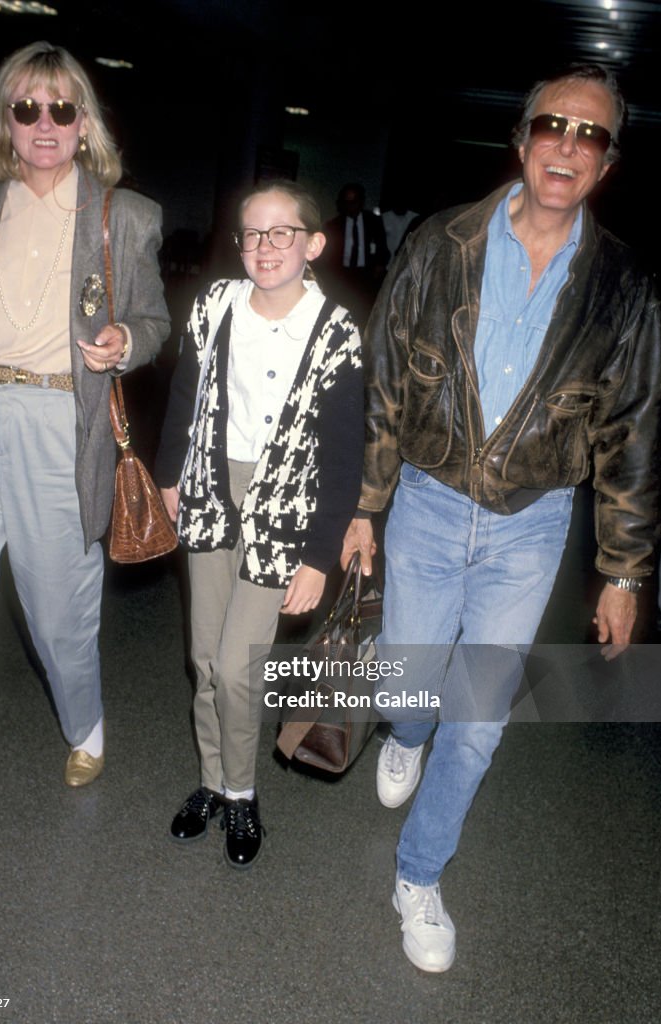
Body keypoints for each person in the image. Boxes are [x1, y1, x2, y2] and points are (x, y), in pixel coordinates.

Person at [342, 65, 660, 972]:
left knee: (477, 719)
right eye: (552, 125)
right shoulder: (441, 244)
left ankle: (418, 876)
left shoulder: (624, 286)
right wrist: (367, 503)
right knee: (410, 684)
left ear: (605, 163)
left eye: (589, 133)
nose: (567, 143)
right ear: (520, 141)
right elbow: (388, 384)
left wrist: (623, 569)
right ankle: (404, 730)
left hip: (530, 524)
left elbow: (632, 432)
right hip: (429, 505)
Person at [0, 42, 170, 882]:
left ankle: (85, 719)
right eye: (26, 108)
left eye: (60, 109)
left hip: (53, 423)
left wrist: (124, 341)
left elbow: (152, 319)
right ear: (5, 117)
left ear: (83, 124)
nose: (42, 124)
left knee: (56, 620)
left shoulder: (122, 216)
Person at [155, 180, 363, 869]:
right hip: (213, 488)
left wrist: (318, 555)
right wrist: (167, 478)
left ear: (313, 245)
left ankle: (241, 794)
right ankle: (211, 782)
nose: (264, 246)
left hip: (288, 510)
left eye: (281, 233)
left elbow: (340, 456)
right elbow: (187, 392)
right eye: (252, 233)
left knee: (240, 668)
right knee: (204, 659)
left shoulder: (335, 332)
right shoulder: (215, 304)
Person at [323, 182, 389, 329]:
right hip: (342, 276)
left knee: (364, 315)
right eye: (347, 202)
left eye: (354, 201)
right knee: (342, 315)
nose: (351, 206)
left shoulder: (373, 221)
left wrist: (379, 265)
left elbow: (383, 248)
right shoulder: (333, 226)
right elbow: (327, 258)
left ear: (361, 202)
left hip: (366, 276)